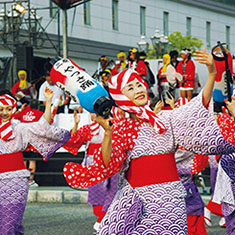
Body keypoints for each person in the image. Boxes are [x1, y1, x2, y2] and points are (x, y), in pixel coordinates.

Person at [63, 49, 235, 234]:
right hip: (138, 202)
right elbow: (107, 163)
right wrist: (107, 132)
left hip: (171, 200)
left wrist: (212, 73)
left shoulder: (165, 119)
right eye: (130, 88)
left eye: (139, 84)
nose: (138, 90)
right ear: (120, 97)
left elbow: (198, 104)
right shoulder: (121, 128)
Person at [0, 88, 70, 234]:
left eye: (8, 109)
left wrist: (49, 101)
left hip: (15, 179)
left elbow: (43, 127)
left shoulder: (20, 127)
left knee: (10, 223)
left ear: (14, 108)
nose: (4, 112)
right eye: (1, 109)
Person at [63, 111, 118, 233]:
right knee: (97, 193)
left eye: (96, 113)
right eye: (92, 113)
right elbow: (73, 140)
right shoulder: (88, 128)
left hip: (112, 160)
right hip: (93, 163)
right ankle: (102, 219)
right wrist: (76, 124)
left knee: (113, 191)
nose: (93, 116)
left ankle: (104, 220)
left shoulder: (114, 124)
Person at [14, 99, 44, 187]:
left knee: (24, 159)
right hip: (33, 140)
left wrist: (21, 110)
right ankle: (30, 180)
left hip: (23, 139)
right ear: (38, 106)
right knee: (32, 160)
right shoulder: (40, 114)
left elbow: (14, 116)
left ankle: (23, 180)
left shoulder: (23, 113)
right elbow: (49, 122)